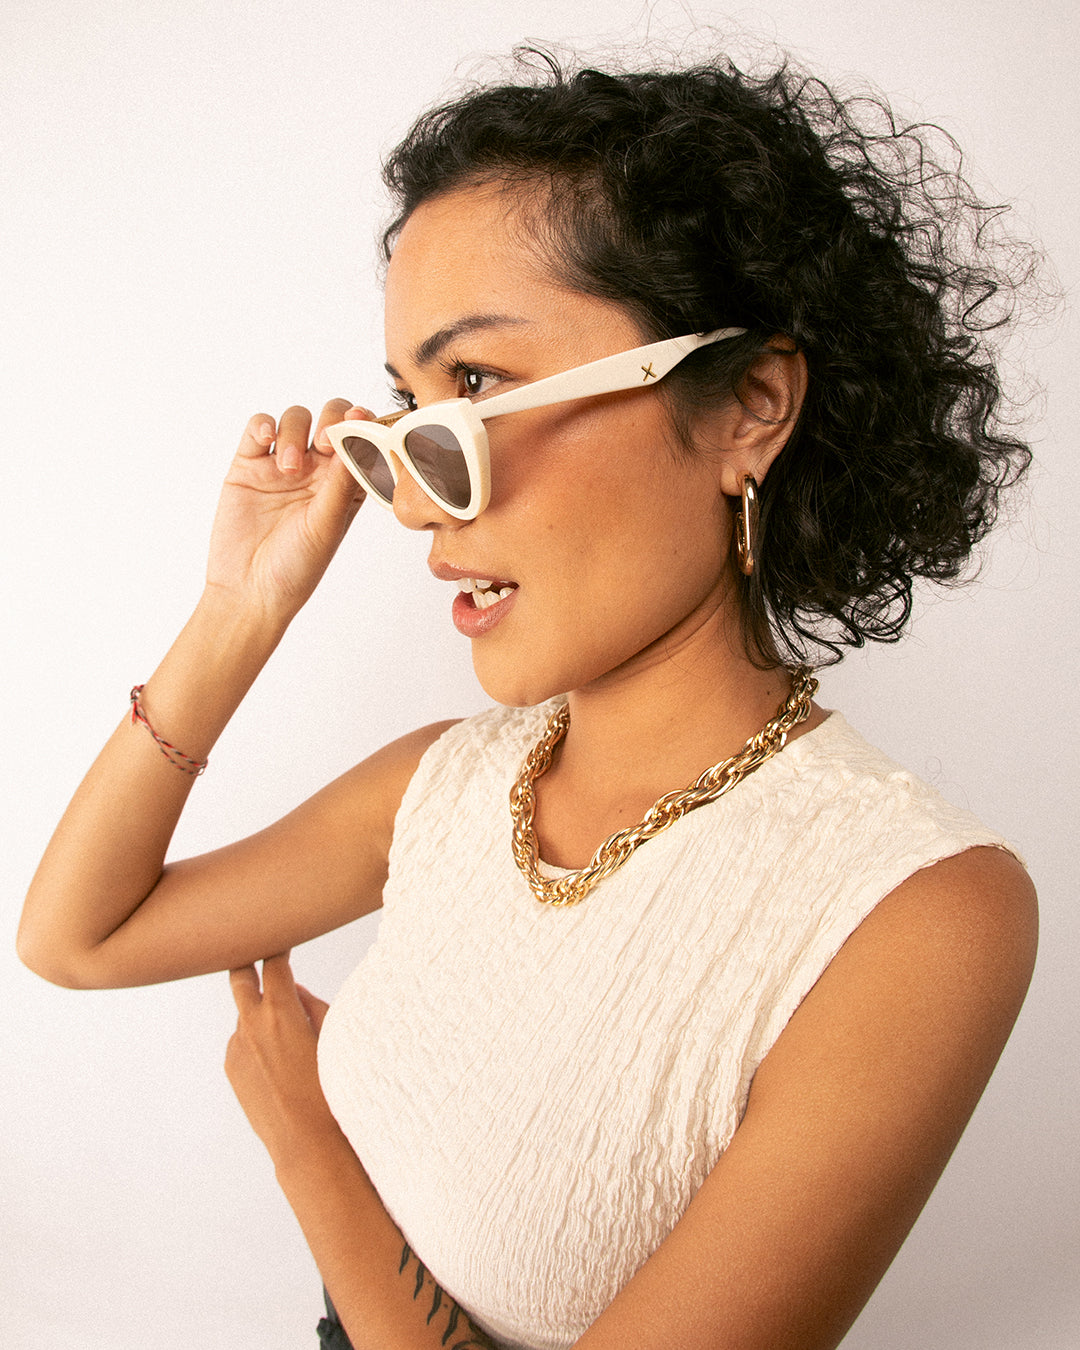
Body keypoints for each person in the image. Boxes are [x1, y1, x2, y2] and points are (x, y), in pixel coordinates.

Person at [17, 47, 1039, 1350]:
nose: (415, 497)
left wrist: (307, 1143)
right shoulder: (449, 783)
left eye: (480, 386)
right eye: (406, 412)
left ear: (751, 407)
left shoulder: (915, 913)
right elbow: (76, 937)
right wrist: (241, 608)